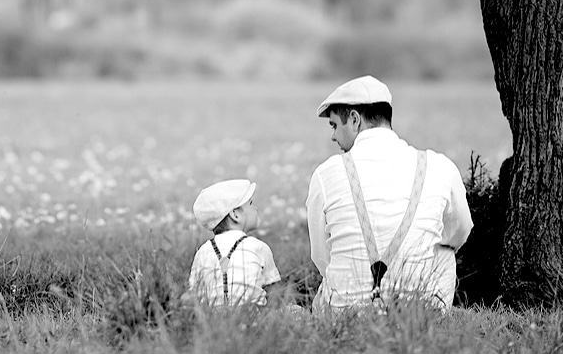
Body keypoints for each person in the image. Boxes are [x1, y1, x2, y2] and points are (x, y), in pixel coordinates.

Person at [306, 76, 473, 310]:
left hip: (345, 313)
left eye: (334, 125)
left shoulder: (325, 174)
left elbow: (321, 256)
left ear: (354, 119)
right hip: (418, 311)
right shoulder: (439, 166)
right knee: (444, 250)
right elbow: (460, 232)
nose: (333, 136)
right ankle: (432, 315)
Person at [186, 179, 283, 307]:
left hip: (211, 318)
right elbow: (274, 292)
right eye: (250, 203)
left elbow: (195, 293)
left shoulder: (202, 251)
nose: (255, 207)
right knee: (294, 310)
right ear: (235, 215)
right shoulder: (259, 247)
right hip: (254, 317)